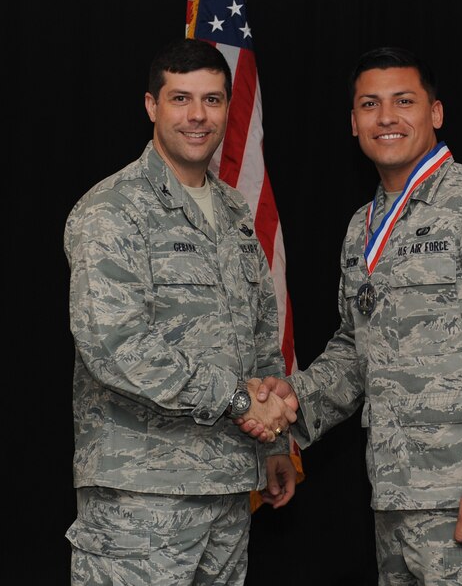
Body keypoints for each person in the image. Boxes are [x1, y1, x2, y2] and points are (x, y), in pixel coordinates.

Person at [240, 46, 462, 584]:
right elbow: (353, 348)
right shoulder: (364, 226)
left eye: (403, 101)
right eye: (370, 104)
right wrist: (293, 409)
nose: (386, 117)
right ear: (354, 122)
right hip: (393, 491)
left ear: (435, 113)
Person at [64, 38, 299, 586]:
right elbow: (115, 346)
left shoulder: (236, 211)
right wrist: (240, 400)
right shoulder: (112, 209)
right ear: (152, 106)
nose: (198, 116)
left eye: (213, 100)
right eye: (181, 99)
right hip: (142, 498)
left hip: (226, 487)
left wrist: (275, 444)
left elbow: (261, 333)